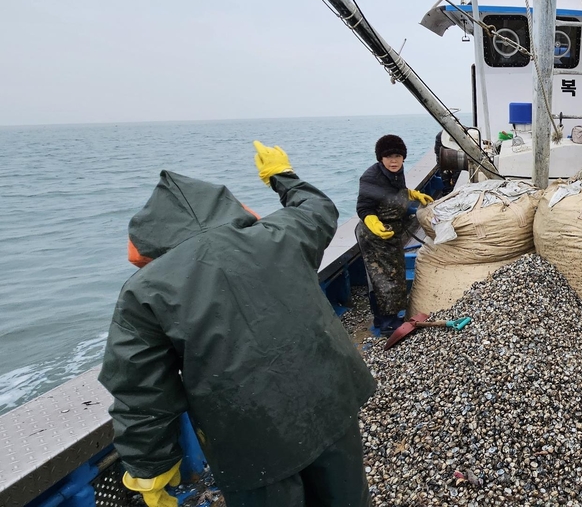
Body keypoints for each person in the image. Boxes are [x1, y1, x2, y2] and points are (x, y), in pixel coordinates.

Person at [100, 141, 376, 507]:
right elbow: (318, 209)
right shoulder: (282, 234)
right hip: (332, 406)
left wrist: (151, 468)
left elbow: (141, 391)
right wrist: (282, 176)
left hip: (250, 442)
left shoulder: (144, 292)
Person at [356, 134, 433, 336]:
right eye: (388, 156)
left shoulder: (397, 172)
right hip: (374, 235)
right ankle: (387, 323)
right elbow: (364, 208)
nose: (393, 161)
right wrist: (373, 223)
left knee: (395, 275)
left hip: (392, 233)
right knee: (383, 278)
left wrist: (412, 194)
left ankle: (386, 317)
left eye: (397, 156)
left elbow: (395, 190)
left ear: (403, 157)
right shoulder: (370, 177)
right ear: (380, 158)